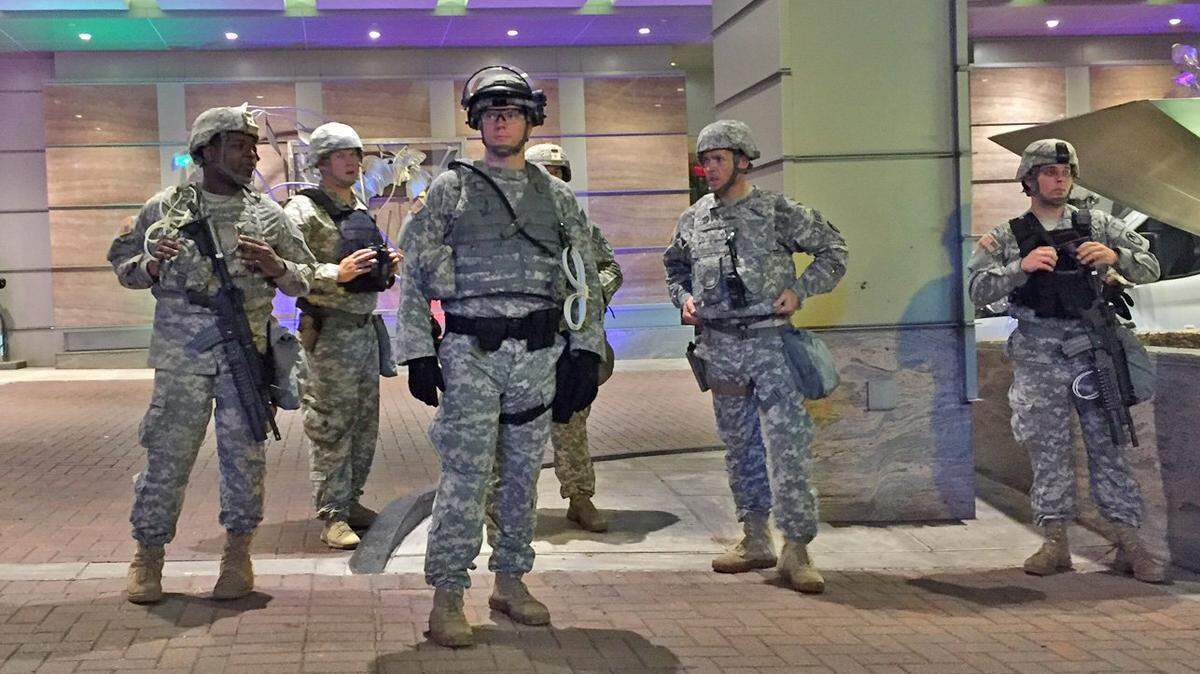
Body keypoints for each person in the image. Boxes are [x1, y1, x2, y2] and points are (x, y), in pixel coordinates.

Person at [394, 66, 604, 647]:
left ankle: (511, 581)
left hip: (538, 352)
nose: (500, 121)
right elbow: (414, 276)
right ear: (476, 122)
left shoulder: (556, 195)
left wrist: (584, 351)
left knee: (520, 477)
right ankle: (446, 596)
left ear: (531, 118)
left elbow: (584, 278)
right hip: (470, 351)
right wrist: (417, 352)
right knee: (465, 476)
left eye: (510, 111)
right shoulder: (451, 188)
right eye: (489, 113)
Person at [108, 103, 315, 603]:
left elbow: (307, 276)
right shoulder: (165, 208)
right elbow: (124, 266)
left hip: (244, 357)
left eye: (254, 146)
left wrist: (275, 265)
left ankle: (237, 555)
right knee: (167, 458)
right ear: (207, 150)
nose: (252, 156)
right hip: (182, 356)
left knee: (244, 460)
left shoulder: (266, 213)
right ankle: (148, 556)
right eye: (240, 146)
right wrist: (151, 267)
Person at [967, 138, 1164, 582]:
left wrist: (1117, 256)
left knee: (1107, 444)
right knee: (1047, 448)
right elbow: (976, 290)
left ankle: (1130, 542)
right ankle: (1054, 541)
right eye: (1051, 173)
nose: (1060, 180)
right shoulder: (1005, 236)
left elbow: (1151, 266)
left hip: (1092, 349)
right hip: (1039, 351)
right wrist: (1022, 268)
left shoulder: (1095, 223)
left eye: (1066, 173)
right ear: (1030, 179)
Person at [663, 119, 848, 594]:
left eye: (718, 159)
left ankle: (797, 548)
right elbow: (675, 267)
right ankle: (755, 538)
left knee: (787, 448)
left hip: (771, 345)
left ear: (744, 160)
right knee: (739, 447)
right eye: (703, 161)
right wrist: (682, 298)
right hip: (720, 348)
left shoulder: (776, 211)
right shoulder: (694, 218)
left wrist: (799, 289)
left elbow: (833, 250)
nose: (709, 168)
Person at [284, 122, 402, 550]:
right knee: (331, 425)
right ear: (320, 162)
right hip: (329, 332)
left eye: (355, 154)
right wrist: (336, 273)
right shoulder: (301, 211)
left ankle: (350, 501)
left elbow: (361, 267)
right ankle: (332, 513)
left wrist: (385, 265)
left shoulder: (356, 205)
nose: (352, 161)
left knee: (363, 425)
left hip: (363, 332)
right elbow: (286, 271)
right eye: (341, 155)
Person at [511, 142, 622, 532]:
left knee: (572, 420)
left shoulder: (581, 227)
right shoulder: (513, 230)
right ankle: (514, 506)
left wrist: (590, 294)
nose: (553, 181)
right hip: (526, 342)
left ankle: (579, 497)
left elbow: (610, 267)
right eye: (545, 174)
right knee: (518, 426)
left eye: (558, 174)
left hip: (571, 340)